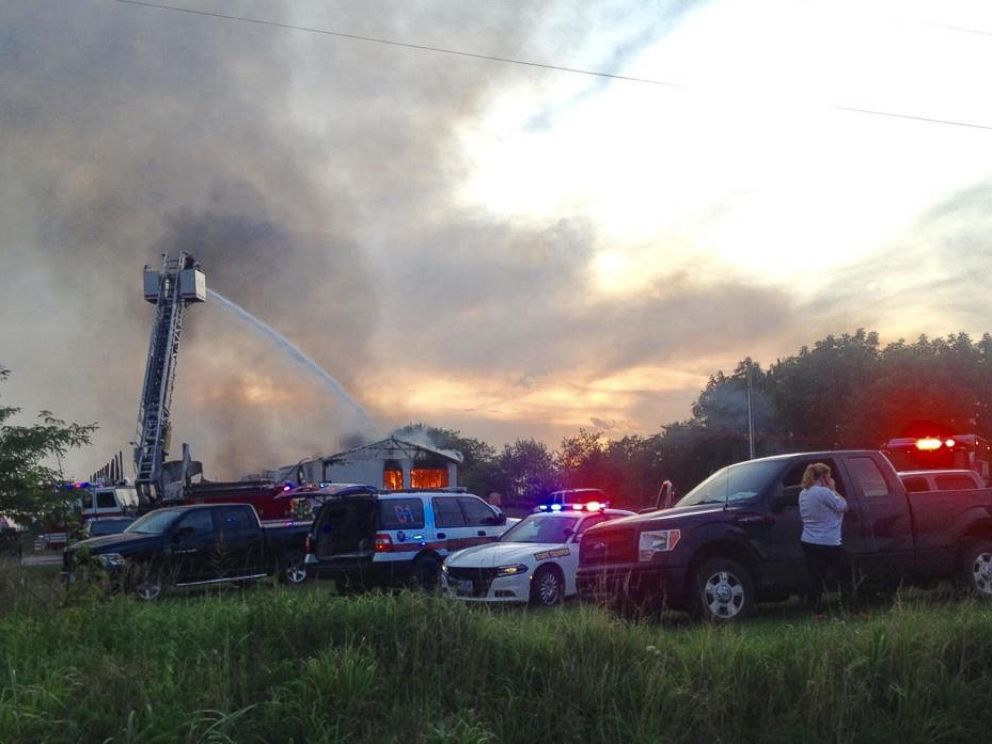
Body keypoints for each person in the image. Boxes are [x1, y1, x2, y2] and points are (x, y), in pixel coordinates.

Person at [798, 462, 850, 613]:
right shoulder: (823, 492)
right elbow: (843, 506)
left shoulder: (804, 493)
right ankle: (848, 607)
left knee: (815, 577)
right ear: (824, 478)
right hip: (829, 541)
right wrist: (833, 489)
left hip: (809, 540)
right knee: (846, 574)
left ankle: (815, 609)